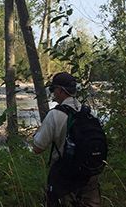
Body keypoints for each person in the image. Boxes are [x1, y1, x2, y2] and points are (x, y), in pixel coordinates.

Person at [33, 72, 101, 207]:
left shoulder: (55, 115)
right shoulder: (88, 113)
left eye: (53, 90)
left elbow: (37, 148)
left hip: (65, 177)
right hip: (89, 173)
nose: (53, 94)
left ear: (60, 90)